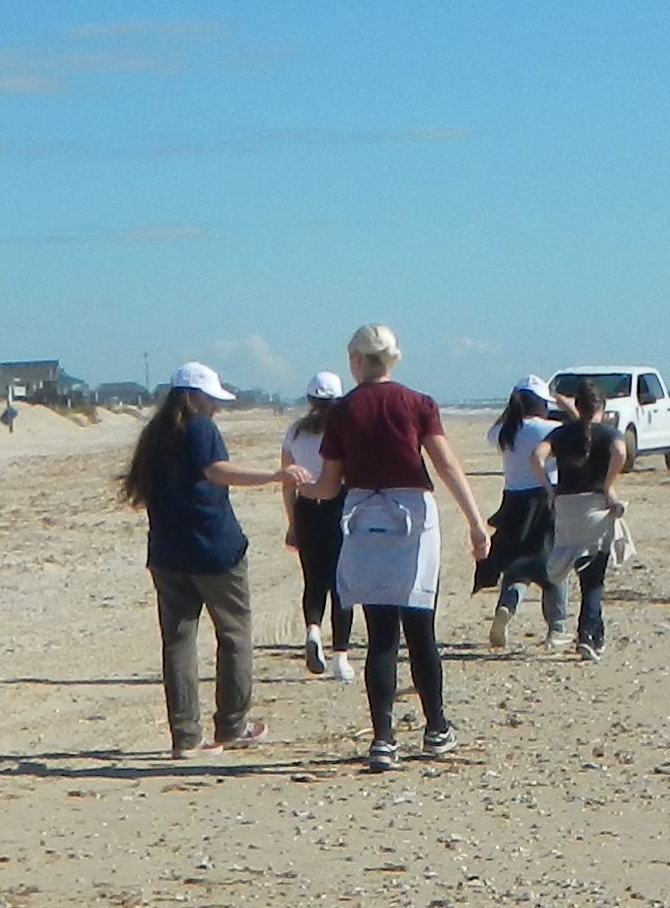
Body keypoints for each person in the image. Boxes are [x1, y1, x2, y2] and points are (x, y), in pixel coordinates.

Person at [321, 324, 492, 770]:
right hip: (412, 512)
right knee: (420, 629)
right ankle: (436, 727)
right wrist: (476, 522)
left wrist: (295, 488)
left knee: (380, 635)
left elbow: (327, 484)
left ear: (358, 359)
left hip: (362, 515)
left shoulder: (342, 411)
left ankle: (383, 738)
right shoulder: (417, 403)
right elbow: (445, 462)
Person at [117, 363, 280, 757]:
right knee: (235, 635)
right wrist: (275, 476)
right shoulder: (199, 428)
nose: (215, 407)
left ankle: (186, 737)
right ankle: (233, 724)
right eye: (211, 398)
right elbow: (218, 471)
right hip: (214, 549)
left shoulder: (155, 434)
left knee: (178, 643)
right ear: (192, 396)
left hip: (168, 553)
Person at [542, 377, 626, 659]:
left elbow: (535, 457)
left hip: (566, 505)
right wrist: (607, 483)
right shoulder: (607, 433)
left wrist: (549, 489)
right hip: (594, 505)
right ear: (601, 405)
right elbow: (620, 453)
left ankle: (594, 634)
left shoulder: (561, 434)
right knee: (594, 578)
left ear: (577, 406)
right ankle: (588, 634)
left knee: (581, 572)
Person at [278, 369, 354, 677]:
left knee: (313, 579)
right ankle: (341, 658)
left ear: (310, 399)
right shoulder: (346, 431)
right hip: (339, 507)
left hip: (307, 508)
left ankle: (313, 631)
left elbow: (287, 482)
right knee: (342, 585)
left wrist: (292, 522)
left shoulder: (295, 431)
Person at [481, 380, 559, 647]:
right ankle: (556, 627)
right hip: (543, 497)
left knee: (516, 562)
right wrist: (567, 406)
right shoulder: (548, 429)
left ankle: (506, 606)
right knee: (553, 563)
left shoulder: (504, 431)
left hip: (513, 501)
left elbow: (496, 429)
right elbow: (580, 432)